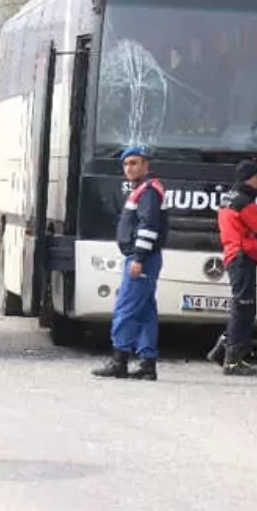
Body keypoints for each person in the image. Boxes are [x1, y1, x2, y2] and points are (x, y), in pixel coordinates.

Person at [92, 146, 167, 381]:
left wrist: (138, 258)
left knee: (126, 308)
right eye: (126, 164)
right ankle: (147, 363)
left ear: (146, 164)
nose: (129, 168)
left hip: (142, 259)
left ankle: (119, 360)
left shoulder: (148, 191)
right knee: (145, 312)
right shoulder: (144, 189)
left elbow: (148, 226)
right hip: (144, 258)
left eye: (134, 163)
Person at [212, 160, 257, 377]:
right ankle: (233, 360)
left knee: (241, 306)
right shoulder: (244, 201)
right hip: (243, 256)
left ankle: (222, 351)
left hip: (233, 254)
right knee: (245, 309)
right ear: (248, 178)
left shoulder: (227, 198)